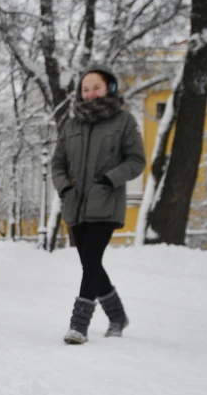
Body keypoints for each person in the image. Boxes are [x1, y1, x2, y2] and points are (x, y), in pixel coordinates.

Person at [51, 66, 146, 344]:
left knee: (91, 262)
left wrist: (109, 179)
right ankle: (117, 316)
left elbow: (136, 161)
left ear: (110, 89)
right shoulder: (71, 126)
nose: (90, 93)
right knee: (91, 263)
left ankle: (78, 325)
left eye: (97, 87)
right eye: (85, 89)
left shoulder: (124, 121)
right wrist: (65, 187)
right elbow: (58, 163)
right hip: (75, 206)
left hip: (105, 203)